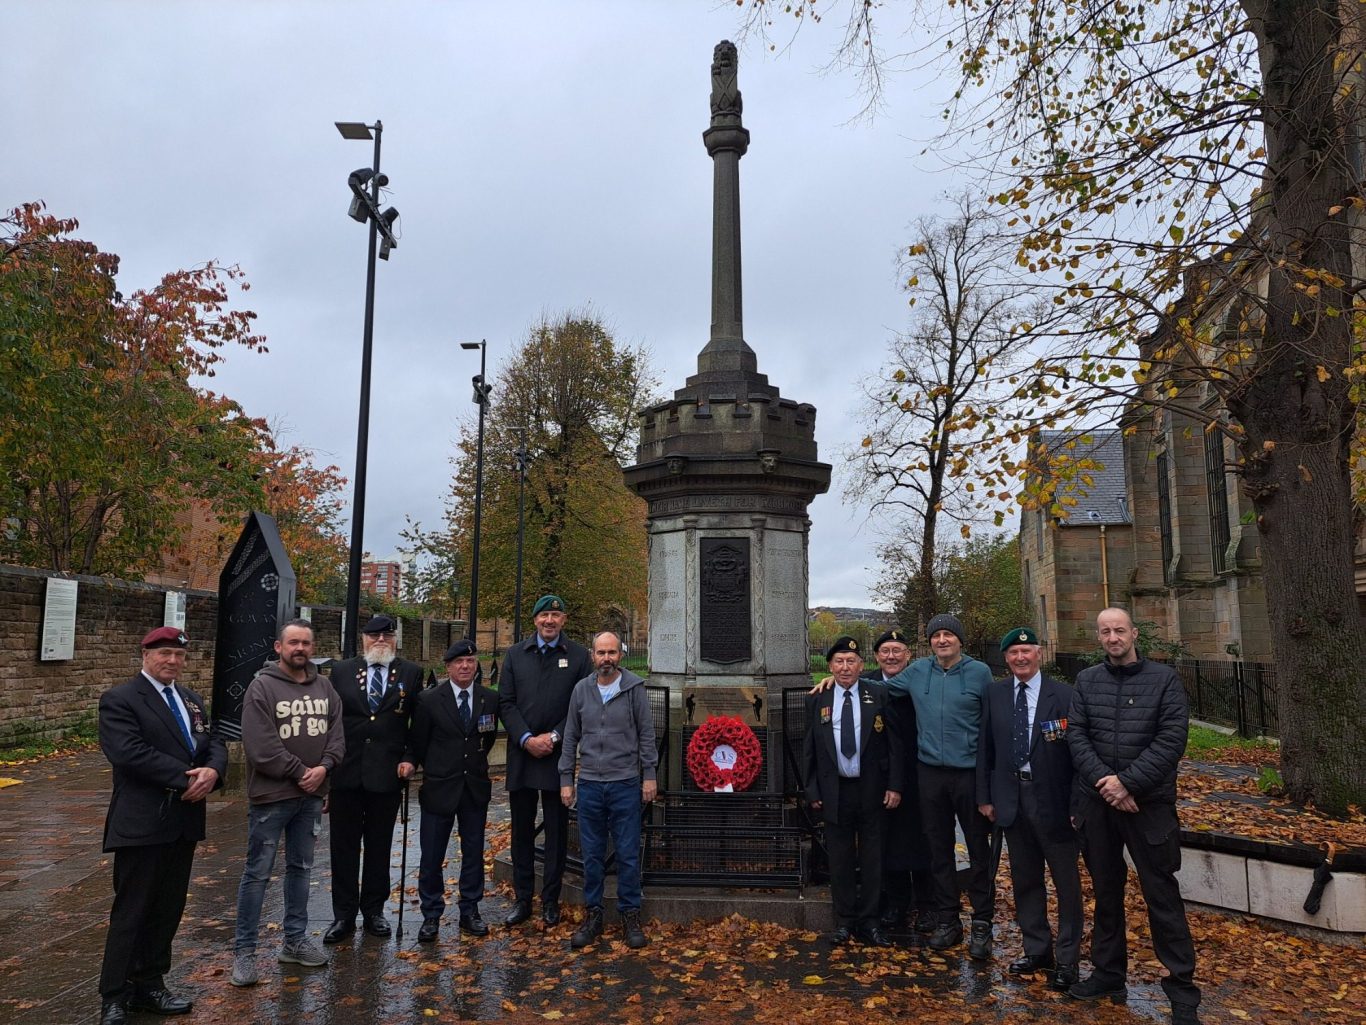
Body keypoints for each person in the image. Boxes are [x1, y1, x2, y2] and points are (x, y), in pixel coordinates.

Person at [1066, 608, 1202, 1024]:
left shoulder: (1164, 680)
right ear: (1099, 637)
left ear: (1134, 633)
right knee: (1106, 893)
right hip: (1098, 805)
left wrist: (1128, 784)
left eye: (1119, 630)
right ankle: (1108, 974)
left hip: (1148, 807)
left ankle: (1182, 991)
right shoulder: (1087, 680)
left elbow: (1172, 739)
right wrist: (1108, 785)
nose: (1113, 637)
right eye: (1105, 631)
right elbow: (1077, 735)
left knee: (1161, 896)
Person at [96, 627, 227, 1025]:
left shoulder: (191, 700)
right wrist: (188, 778)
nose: (172, 661)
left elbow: (213, 742)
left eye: (178, 655)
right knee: (132, 911)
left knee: (167, 909)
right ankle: (114, 995)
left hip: (183, 822)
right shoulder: (121, 699)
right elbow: (128, 753)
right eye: (164, 653)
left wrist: (213, 771)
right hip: (142, 822)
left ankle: (150, 985)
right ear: (146, 654)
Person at [231, 619, 345, 988]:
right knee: (257, 873)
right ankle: (245, 953)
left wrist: (324, 769)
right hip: (272, 797)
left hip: (310, 798)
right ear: (279, 647)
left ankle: (294, 942)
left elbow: (337, 737)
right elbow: (261, 747)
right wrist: (302, 772)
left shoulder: (325, 687)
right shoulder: (261, 687)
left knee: (301, 869)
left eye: (306, 643)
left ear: (313, 648)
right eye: (293, 642)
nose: (300, 648)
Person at [976, 627, 1082, 990]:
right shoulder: (995, 694)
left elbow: (1078, 756)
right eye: (1013, 653)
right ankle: (1037, 950)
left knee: (1066, 885)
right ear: (1006, 658)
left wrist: (1077, 804)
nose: (1020, 658)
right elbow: (985, 749)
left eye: (1026, 651)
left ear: (1039, 654)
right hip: (1012, 800)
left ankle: (1067, 958)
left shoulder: (1065, 695)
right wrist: (985, 797)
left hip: (1055, 802)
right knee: (1025, 880)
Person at [558, 630, 657, 949]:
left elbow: (646, 733)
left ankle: (630, 914)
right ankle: (594, 914)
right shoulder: (581, 690)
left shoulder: (634, 688)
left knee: (627, 853)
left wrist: (649, 774)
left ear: (620, 655)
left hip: (624, 783)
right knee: (592, 855)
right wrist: (566, 779)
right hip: (590, 784)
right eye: (601, 653)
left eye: (611, 653)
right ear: (593, 656)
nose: (606, 659)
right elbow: (571, 736)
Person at [323, 614, 419, 943]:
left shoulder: (410, 673)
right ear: (363, 638)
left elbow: (417, 724)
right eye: (374, 635)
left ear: (395, 640)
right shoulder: (341, 671)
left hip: (387, 775)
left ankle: (374, 911)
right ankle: (343, 914)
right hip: (346, 773)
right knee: (343, 847)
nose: (380, 640)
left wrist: (410, 759)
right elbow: (330, 722)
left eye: (387, 635)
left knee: (379, 846)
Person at [498, 594, 592, 927]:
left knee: (555, 832)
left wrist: (553, 737)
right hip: (523, 754)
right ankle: (523, 899)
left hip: (557, 756)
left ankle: (550, 900)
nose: (549, 621)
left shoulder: (578, 656)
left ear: (563, 619)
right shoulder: (515, 655)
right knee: (522, 831)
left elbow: (581, 705)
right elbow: (506, 703)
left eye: (555, 615)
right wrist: (526, 738)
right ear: (535, 620)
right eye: (543, 616)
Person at [804, 636, 903, 946]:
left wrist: (895, 785)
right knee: (840, 858)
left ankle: (871, 921)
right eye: (839, 661)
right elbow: (810, 748)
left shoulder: (879, 693)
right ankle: (844, 921)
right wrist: (812, 790)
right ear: (830, 666)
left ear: (862, 665)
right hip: (835, 790)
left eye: (851, 661)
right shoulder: (818, 698)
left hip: (872, 789)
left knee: (873, 857)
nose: (845, 667)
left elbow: (895, 744)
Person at [410, 639, 499, 942]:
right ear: (447, 667)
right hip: (439, 788)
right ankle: (431, 913)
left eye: (470, 661)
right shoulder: (429, 700)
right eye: (459, 662)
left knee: (473, 853)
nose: (465, 666)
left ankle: (470, 910)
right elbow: (419, 741)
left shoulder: (489, 698)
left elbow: (486, 739)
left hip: (474, 787)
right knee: (432, 855)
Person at [863, 628, 933, 935]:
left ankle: (928, 905)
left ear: (908, 655)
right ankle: (897, 903)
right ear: (876, 656)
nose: (891, 656)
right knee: (889, 840)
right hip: (882, 775)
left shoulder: (921, 680)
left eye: (897, 650)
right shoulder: (867, 685)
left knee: (922, 838)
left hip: (919, 771)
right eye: (885, 651)